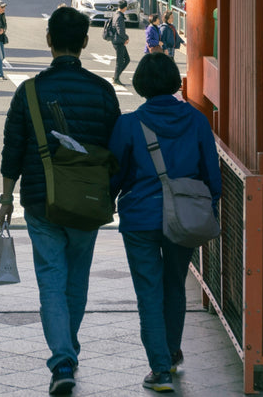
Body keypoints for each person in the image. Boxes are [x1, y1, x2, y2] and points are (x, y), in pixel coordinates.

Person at [0, 6, 121, 396]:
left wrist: (5, 197)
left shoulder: (30, 91)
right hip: (86, 201)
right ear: (85, 43)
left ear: (49, 40)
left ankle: (62, 361)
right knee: (77, 278)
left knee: (51, 279)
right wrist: (110, 193)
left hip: (41, 199)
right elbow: (113, 148)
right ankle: (69, 348)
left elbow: (12, 148)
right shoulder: (102, 91)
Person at [107, 53, 222, 392]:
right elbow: (212, 178)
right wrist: (206, 206)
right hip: (184, 217)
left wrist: (110, 201)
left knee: (149, 292)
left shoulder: (128, 125)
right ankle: (171, 354)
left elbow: (114, 175)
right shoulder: (198, 120)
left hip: (140, 217)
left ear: (141, 84)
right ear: (175, 82)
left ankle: (160, 371)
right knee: (174, 285)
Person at [103, 0, 131, 84]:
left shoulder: (116, 14)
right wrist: (126, 38)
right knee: (120, 61)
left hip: (117, 40)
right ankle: (116, 78)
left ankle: (116, 76)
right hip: (118, 41)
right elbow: (120, 31)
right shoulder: (119, 17)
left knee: (127, 59)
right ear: (125, 8)